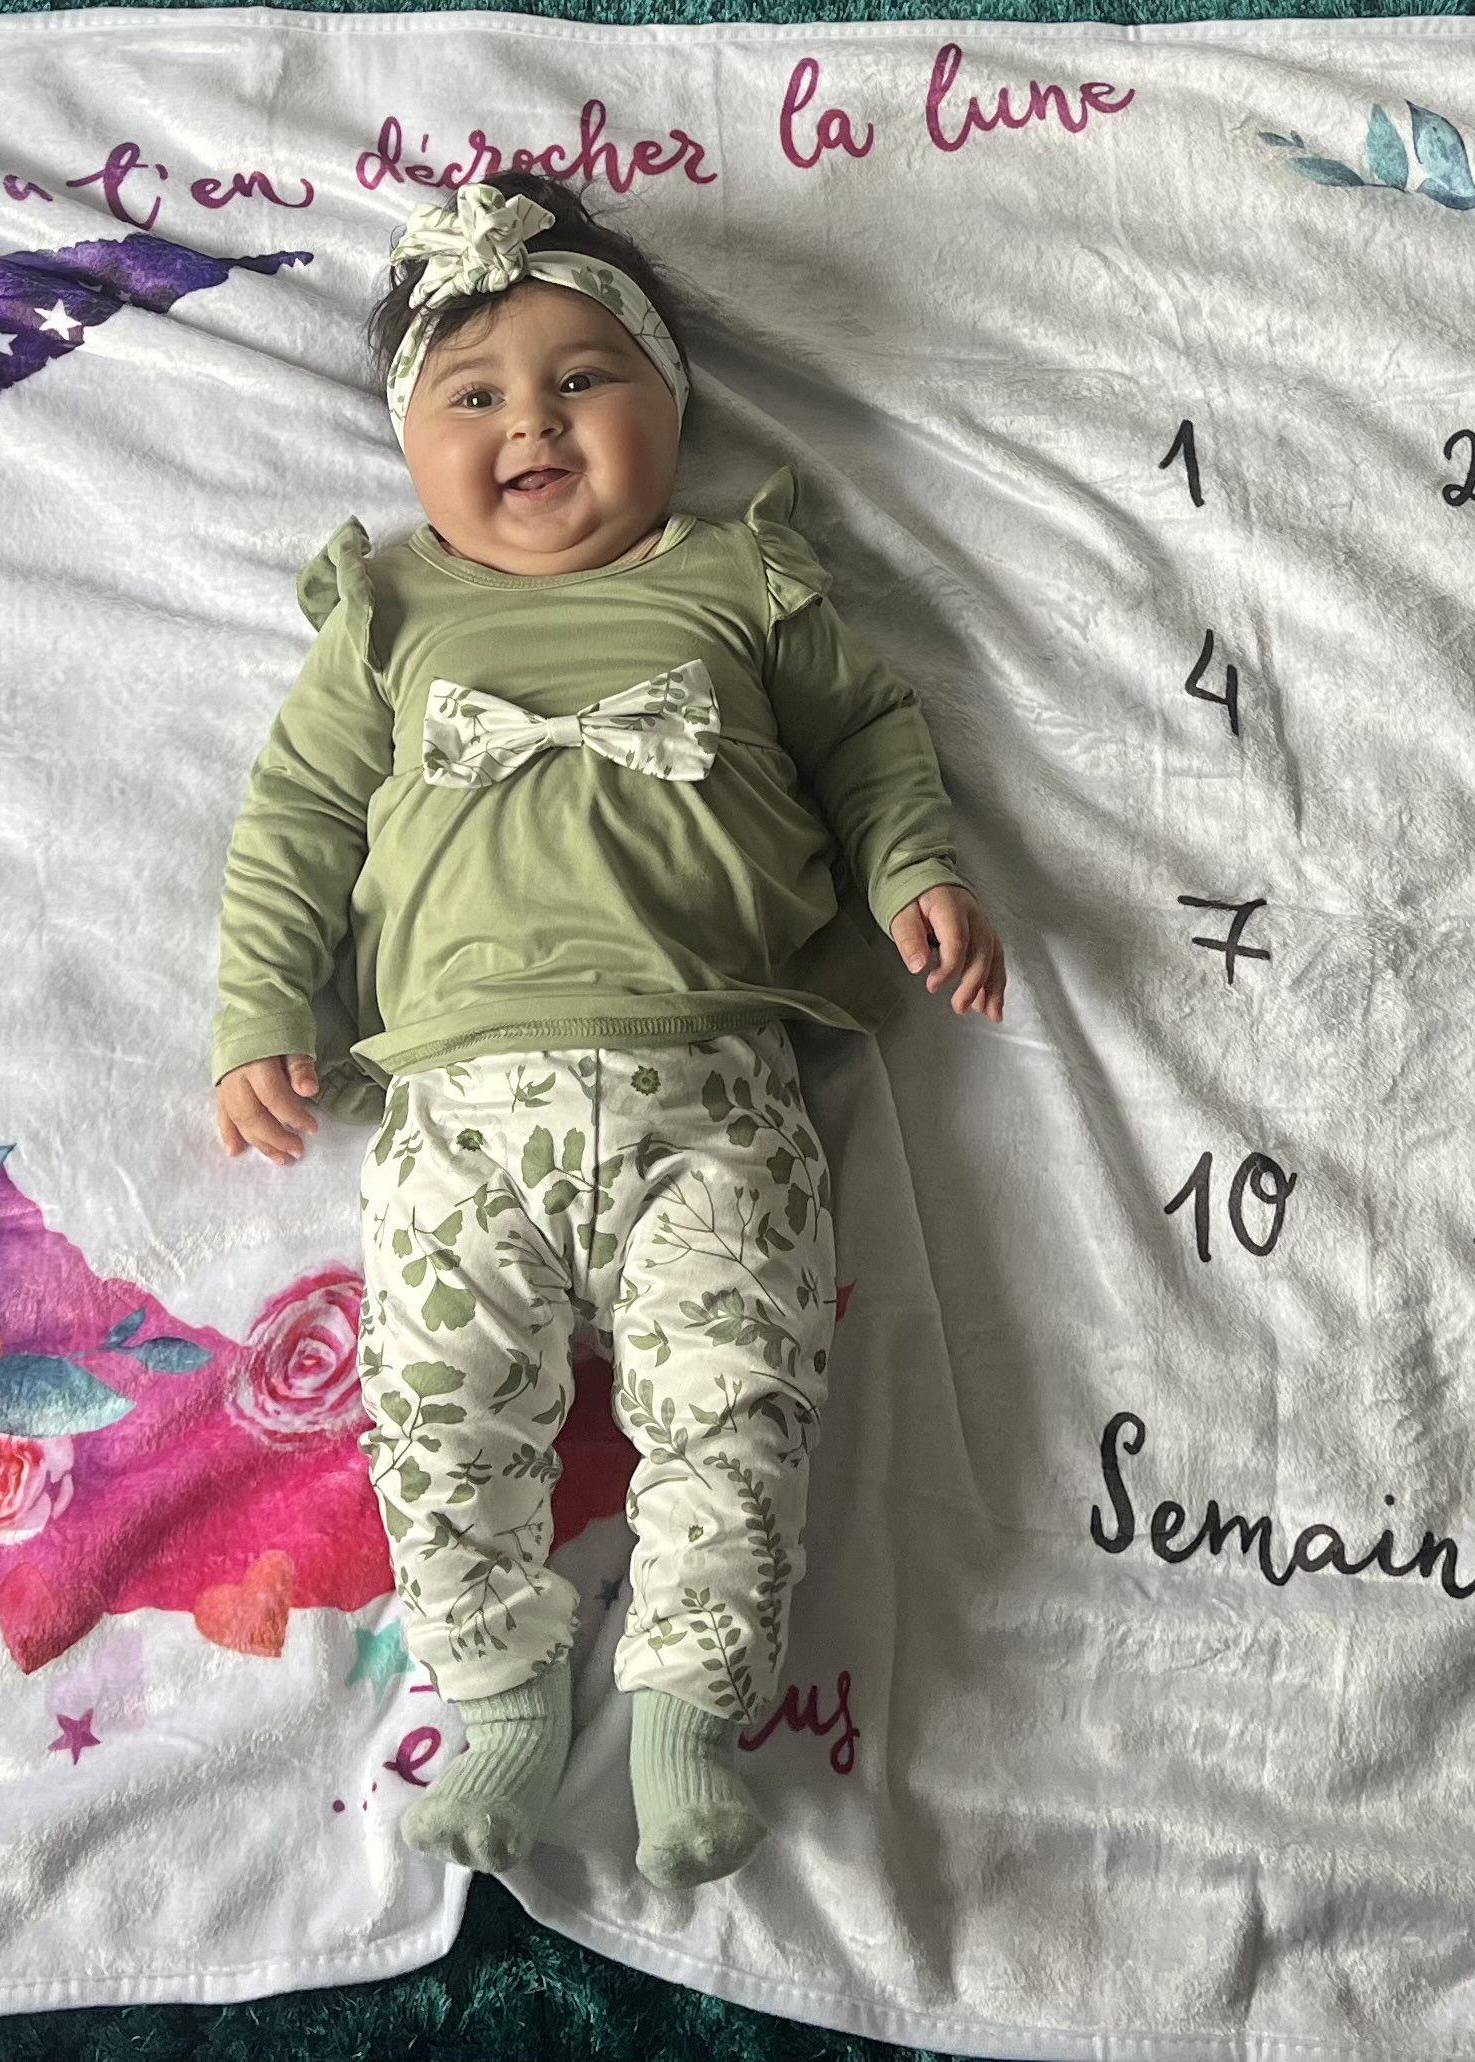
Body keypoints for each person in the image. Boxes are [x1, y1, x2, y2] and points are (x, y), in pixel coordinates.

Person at [209, 170, 1006, 1889]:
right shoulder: (390, 617)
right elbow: (294, 825)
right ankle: (498, 1703)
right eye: (475, 394)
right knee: (436, 1416)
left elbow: (869, 741)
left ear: (670, 405)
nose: (533, 421)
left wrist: (914, 866)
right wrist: (261, 1004)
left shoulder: (737, 582)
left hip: (711, 1092)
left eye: (584, 378)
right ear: (407, 442)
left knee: (739, 1407)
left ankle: (685, 1719)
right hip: (456, 1111)